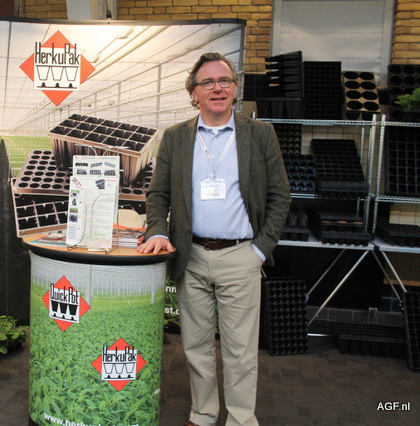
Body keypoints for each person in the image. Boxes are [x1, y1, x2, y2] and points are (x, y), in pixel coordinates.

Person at [137, 52, 291, 426]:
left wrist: (259, 250)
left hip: (241, 255)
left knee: (240, 350)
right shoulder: (175, 137)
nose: (217, 88)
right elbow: (158, 194)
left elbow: (280, 195)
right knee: (195, 346)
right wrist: (158, 230)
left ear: (235, 89)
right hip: (191, 255)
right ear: (194, 93)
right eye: (207, 82)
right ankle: (204, 413)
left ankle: (241, 419)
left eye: (225, 80)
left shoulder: (260, 134)